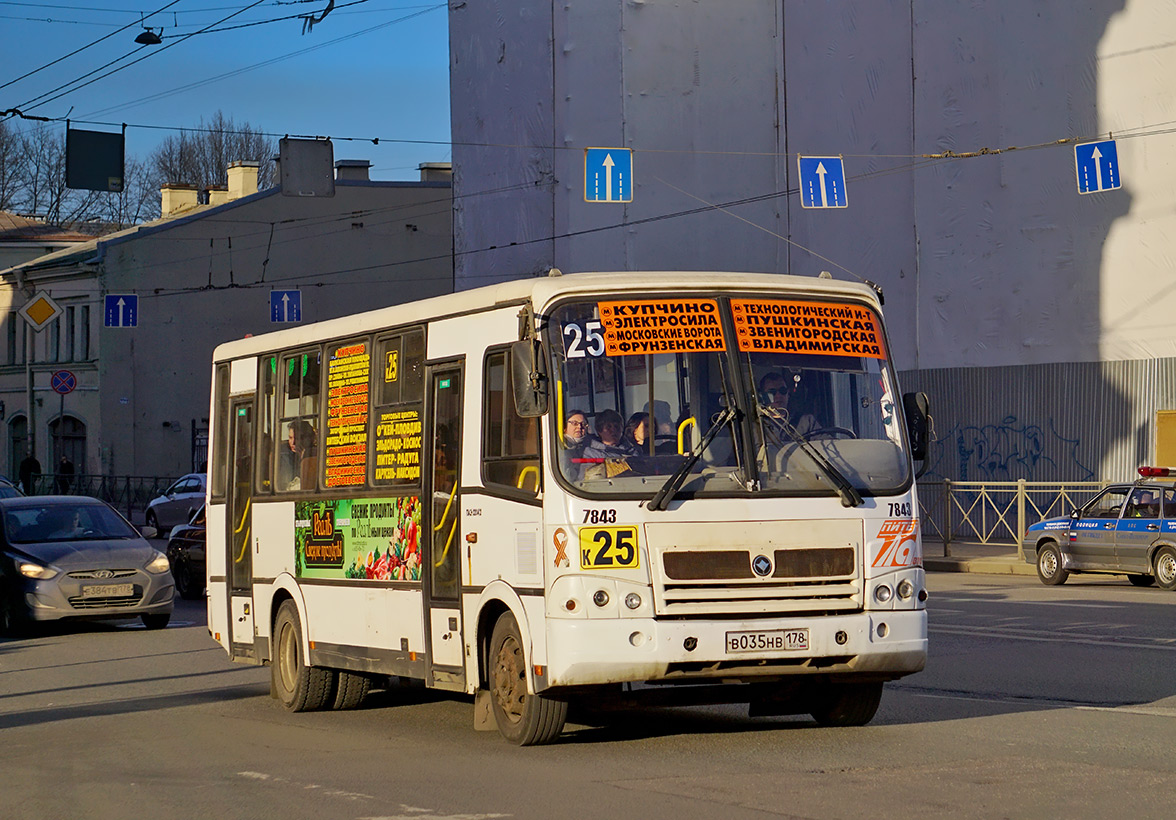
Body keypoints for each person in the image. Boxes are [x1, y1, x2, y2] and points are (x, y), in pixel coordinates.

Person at [560, 409, 592, 480]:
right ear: (564, 427)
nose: (580, 427)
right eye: (575, 423)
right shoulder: (558, 446)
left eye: (583, 424)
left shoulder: (592, 444)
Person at [277, 423, 299, 490]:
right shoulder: (283, 455)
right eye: (290, 438)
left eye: (297, 438)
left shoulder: (312, 455)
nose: (293, 442)